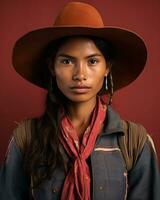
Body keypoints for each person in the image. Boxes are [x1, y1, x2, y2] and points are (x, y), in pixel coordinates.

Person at [0, 1, 159, 200]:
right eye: (67, 61)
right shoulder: (26, 138)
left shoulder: (134, 141)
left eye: (92, 61)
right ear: (52, 67)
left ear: (107, 67)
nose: (80, 74)